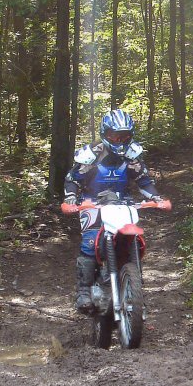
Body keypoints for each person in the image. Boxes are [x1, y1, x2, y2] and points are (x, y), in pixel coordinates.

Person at [63, 109, 163, 313]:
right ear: (105, 133)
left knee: (132, 238)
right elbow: (72, 179)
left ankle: (135, 289)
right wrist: (71, 198)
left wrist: (156, 197)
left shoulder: (131, 155)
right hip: (93, 202)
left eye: (124, 136)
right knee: (90, 240)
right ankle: (83, 291)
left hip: (122, 202)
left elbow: (144, 180)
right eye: (114, 135)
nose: (119, 140)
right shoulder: (91, 154)